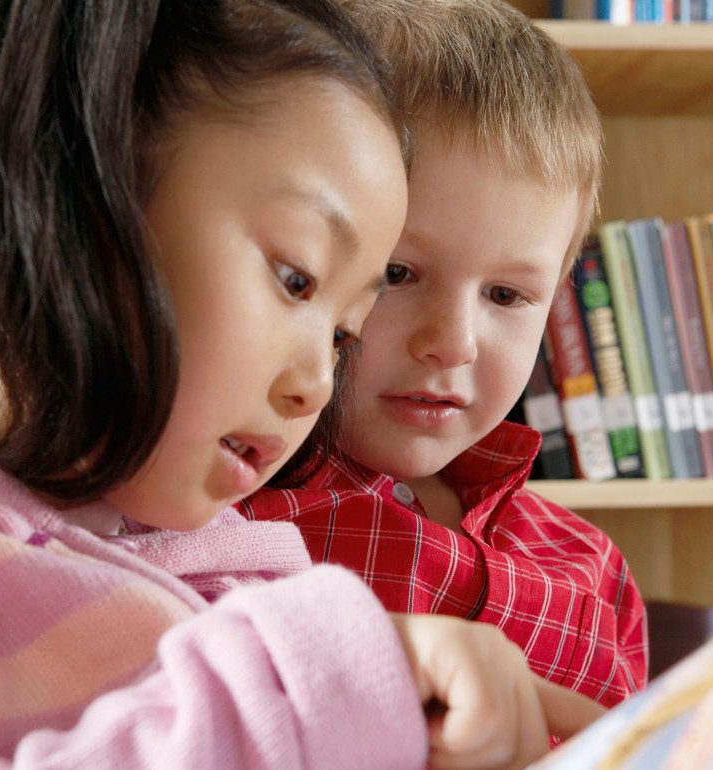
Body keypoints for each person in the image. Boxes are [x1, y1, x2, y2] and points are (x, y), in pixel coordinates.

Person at [0, 0, 602, 766]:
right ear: (74, 177)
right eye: (294, 278)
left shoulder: (234, 569)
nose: (316, 385)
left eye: (342, 333)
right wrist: (309, 693)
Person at [242, 0, 647, 707]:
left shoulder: (593, 572)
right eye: (399, 275)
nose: (453, 343)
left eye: (507, 296)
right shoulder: (232, 528)